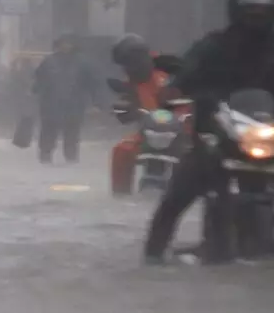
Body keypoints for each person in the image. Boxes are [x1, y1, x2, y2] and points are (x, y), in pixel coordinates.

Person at [142, 0, 274, 264]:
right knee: (174, 200)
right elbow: (187, 70)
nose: (257, 17)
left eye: (263, 11)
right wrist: (175, 87)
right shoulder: (213, 46)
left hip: (270, 137)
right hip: (218, 136)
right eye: (250, 11)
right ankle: (152, 255)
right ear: (236, 11)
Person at [108, 34, 178, 195]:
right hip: (148, 131)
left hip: (183, 131)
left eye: (129, 63)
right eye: (124, 65)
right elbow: (127, 103)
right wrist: (124, 109)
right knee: (122, 150)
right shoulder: (131, 81)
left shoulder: (169, 68)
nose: (128, 68)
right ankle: (121, 194)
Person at [33, 33, 102, 164]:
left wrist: (95, 102)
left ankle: (71, 158)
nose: (65, 46)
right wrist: (35, 91)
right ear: (57, 45)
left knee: (72, 133)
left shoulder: (82, 63)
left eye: (68, 43)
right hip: (51, 104)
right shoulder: (49, 61)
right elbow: (39, 80)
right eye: (62, 43)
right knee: (49, 131)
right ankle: (45, 156)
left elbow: (92, 83)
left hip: (74, 105)